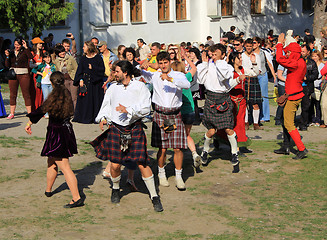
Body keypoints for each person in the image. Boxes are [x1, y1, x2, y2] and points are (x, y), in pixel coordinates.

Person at [90, 61, 163, 212]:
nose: (114, 74)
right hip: (116, 129)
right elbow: (106, 106)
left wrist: (128, 110)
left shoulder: (140, 87)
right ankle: (115, 189)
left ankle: (155, 196)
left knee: (142, 164)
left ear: (125, 72)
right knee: (115, 165)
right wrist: (103, 117)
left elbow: (145, 109)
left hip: (134, 128)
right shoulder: (112, 88)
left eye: (116, 71)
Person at [25, 71, 84, 208]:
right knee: (51, 161)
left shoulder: (53, 97)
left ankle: (76, 198)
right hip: (65, 131)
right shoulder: (67, 94)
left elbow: (40, 110)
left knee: (64, 166)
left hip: (57, 134)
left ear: (51, 83)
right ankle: (48, 190)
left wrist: (29, 123)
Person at [140, 51, 190, 190]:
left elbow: (186, 84)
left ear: (169, 62)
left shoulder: (177, 75)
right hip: (160, 113)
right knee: (162, 148)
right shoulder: (155, 75)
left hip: (175, 114)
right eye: (160, 63)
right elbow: (141, 73)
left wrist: (170, 79)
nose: (163, 66)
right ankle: (161, 174)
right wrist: (142, 64)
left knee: (178, 148)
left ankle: (179, 176)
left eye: (165, 63)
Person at [197, 44, 241, 172]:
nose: (213, 53)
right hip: (210, 98)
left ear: (223, 54)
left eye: (216, 52)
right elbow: (200, 79)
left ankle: (234, 154)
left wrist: (220, 62)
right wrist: (205, 64)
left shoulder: (226, 66)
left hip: (223, 98)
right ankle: (205, 152)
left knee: (228, 129)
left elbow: (225, 79)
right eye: (212, 52)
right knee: (211, 131)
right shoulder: (207, 65)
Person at [274, 33, 308, 159]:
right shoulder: (300, 61)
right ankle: (286, 146)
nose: (286, 54)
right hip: (294, 95)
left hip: (293, 97)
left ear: (292, 52)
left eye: (288, 52)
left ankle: (301, 148)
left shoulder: (295, 63)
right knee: (285, 121)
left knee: (288, 124)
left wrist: (279, 44)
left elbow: (279, 59)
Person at [216, 51, 257, 156]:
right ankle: (233, 146)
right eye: (239, 58)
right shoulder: (230, 72)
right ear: (233, 60)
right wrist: (238, 79)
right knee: (232, 123)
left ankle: (241, 144)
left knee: (240, 123)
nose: (241, 60)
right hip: (232, 101)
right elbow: (228, 86)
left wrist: (254, 63)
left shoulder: (243, 69)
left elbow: (256, 73)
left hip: (241, 101)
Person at [171, 50, 202, 168]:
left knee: (177, 135)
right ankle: (194, 153)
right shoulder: (186, 77)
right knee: (187, 134)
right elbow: (194, 68)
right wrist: (186, 58)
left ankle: (179, 158)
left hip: (177, 111)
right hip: (189, 110)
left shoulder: (171, 80)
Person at [73, 41, 105, 124]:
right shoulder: (83, 58)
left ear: (89, 47)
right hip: (85, 83)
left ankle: (96, 117)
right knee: (85, 101)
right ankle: (84, 117)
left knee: (95, 101)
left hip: (95, 84)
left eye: (84, 46)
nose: (83, 48)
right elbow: (79, 71)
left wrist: (93, 68)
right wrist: (80, 79)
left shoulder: (98, 58)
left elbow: (102, 70)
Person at [5, 37, 34, 119]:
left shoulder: (25, 51)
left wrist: (26, 47)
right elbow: (7, 65)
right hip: (13, 74)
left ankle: (30, 113)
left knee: (26, 94)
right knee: (12, 94)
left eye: (18, 45)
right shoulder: (11, 52)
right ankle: (12, 113)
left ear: (21, 44)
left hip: (23, 73)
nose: (16, 46)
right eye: (15, 45)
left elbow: (30, 57)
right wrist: (7, 56)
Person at [252, 36, 276, 123]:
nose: (253, 45)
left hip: (263, 75)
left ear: (259, 44)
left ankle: (265, 116)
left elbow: (269, 64)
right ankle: (254, 116)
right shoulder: (249, 53)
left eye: (254, 43)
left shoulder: (264, 53)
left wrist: (274, 76)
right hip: (253, 75)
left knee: (264, 95)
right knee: (254, 96)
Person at [242, 38, 263, 130]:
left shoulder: (256, 56)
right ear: (245, 46)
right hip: (245, 79)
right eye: (247, 46)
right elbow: (241, 69)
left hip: (254, 79)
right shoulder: (242, 56)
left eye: (250, 46)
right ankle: (246, 122)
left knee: (255, 103)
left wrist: (254, 63)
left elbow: (258, 71)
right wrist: (248, 72)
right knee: (245, 102)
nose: (249, 48)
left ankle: (255, 123)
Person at [298, 44, 318, 131]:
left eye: (303, 51)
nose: (301, 53)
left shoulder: (311, 63)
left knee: (305, 106)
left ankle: (303, 123)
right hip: (296, 86)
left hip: (306, 87)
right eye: (301, 51)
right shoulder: (297, 61)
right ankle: (292, 122)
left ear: (308, 52)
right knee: (293, 106)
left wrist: (307, 78)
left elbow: (315, 74)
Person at [31, 51, 56, 118]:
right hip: (44, 83)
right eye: (46, 58)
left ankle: (52, 112)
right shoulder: (42, 65)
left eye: (49, 57)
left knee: (52, 98)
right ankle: (46, 112)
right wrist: (40, 73)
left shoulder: (53, 65)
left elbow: (55, 72)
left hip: (51, 83)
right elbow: (33, 70)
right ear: (44, 59)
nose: (48, 59)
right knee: (46, 97)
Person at [53, 45, 79, 109]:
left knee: (74, 97)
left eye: (63, 51)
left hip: (72, 79)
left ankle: (76, 113)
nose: (62, 53)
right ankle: (69, 112)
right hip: (64, 81)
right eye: (60, 52)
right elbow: (57, 71)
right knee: (67, 97)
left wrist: (77, 78)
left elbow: (76, 68)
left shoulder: (70, 58)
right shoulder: (57, 61)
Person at [310, 50, 325, 126]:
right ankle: (312, 119)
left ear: (319, 57)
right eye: (313, 56)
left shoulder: (322, 65)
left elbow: (323, 76)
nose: (314, 58)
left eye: (316, 56)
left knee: (318, 105)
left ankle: (318, 120)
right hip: (311, 86)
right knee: (311, 104)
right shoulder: (311, 64)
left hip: (318, 87)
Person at [30, 37, 45, 110]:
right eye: (39, 43)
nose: (41, 45)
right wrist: (38, 64)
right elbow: (30, 65)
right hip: (35, 74)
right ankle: (36, 107)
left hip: (43, 74)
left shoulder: (44, 52)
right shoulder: (32, 54)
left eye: (41, 43)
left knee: (42, 91)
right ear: (36, 44)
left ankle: (42, 107)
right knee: (36, 91)